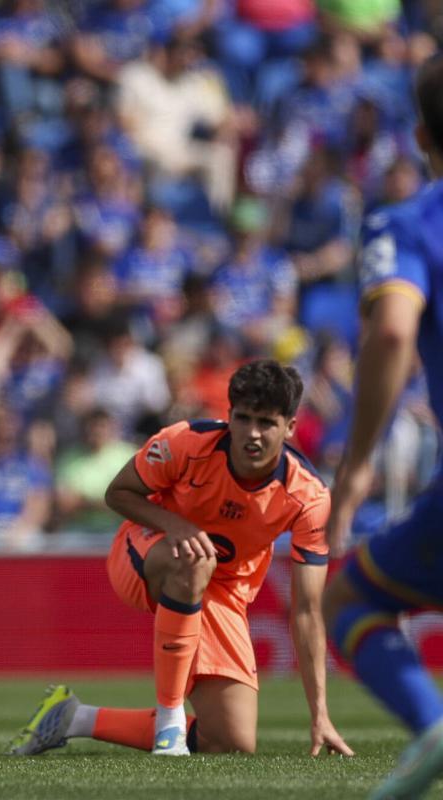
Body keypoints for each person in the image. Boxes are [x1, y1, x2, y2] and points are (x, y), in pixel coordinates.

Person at [10, 360, 353, 758]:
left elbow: (307, 610)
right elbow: (118, 493)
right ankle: (170, 721)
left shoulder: (309, 498)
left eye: (266, 423)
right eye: (243, 419)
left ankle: (72, 719)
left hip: (223, 592)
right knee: (194, 560)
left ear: (290, 427)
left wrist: (320, 714)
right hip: (145, 552)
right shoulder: (186, 443)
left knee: (231, 742)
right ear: (229, 415)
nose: (252, 433)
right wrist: (175, 525)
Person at [323, 56, 443, 800]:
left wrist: (358, 460)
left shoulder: (407, 223)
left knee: (351, 602)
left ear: (422, 137)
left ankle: (432, 728)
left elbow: (394, 330)